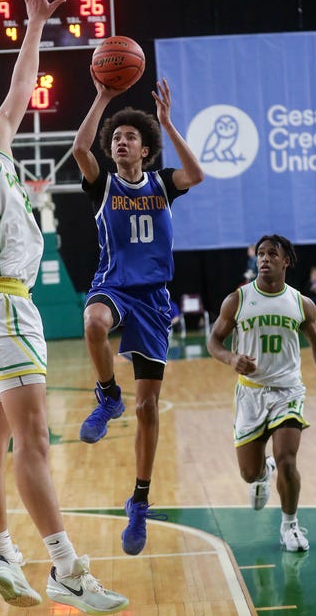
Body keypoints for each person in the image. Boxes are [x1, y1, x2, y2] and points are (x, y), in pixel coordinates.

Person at [0, 0, 128, 612]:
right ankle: (66, 568)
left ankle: (2, 553)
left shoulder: (1, 151)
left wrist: (37, 22)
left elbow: (13, 92)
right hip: (3, 309)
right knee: (33, 441)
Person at [72, 71, 204, 556]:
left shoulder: (164, 184)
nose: (121, 141)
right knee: (93, 323)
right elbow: (81, 151)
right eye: (116, 138)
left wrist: (167, 124)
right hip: (113, 286)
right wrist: (103, 96)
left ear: (144, 149)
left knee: (149, 408)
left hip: (152, 299)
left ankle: (140, 501)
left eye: (130, 136)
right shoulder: (102, 184)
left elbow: (197, 174)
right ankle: (108, 396)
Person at [207, 234, 316, 552]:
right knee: (249, 473)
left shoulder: (299, 303)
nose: (264, 258)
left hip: (287, 391)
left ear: (285, 261)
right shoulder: (237, 300)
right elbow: (213, 342)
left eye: (272, 254)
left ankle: (290, 526)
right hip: (250, 394)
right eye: (261, 254)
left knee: (288, 460)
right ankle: (263, 472)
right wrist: (231, 358)